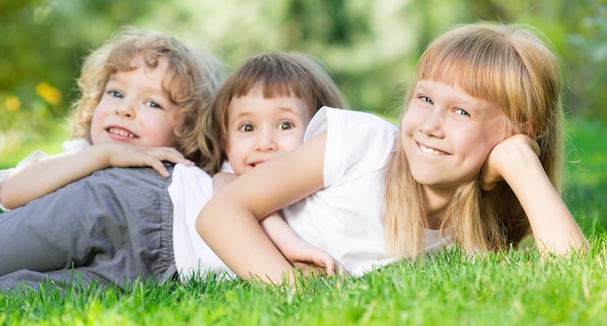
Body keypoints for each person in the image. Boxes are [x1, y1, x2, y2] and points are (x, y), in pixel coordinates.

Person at [196, 21, 589, 285]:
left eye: (461, 111)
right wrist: (293, 294)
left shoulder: (479, 226)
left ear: (522, 128)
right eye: (424, 98)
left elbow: (573, 276)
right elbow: (220, 212)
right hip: (163, 212)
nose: (430, 125)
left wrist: (519, 161)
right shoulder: (363, 146)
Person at [0, 27, 224, 296]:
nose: (124, 109)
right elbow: (10, 193)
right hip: (130, 257)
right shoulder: (80, 155)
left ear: (187, 130)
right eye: (116, 94)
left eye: (152, 103)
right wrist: (100, 155)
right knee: (4, 274)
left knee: (5, 278)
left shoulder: (173, 179)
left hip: (140, 247)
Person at [168, 51, 347, 280]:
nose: (264, 144)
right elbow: (228, 192)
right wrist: (288, 241)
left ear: (319, 133)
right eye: (247, 128)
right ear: (226, 144)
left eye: (285, 125)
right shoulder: (230, 177)